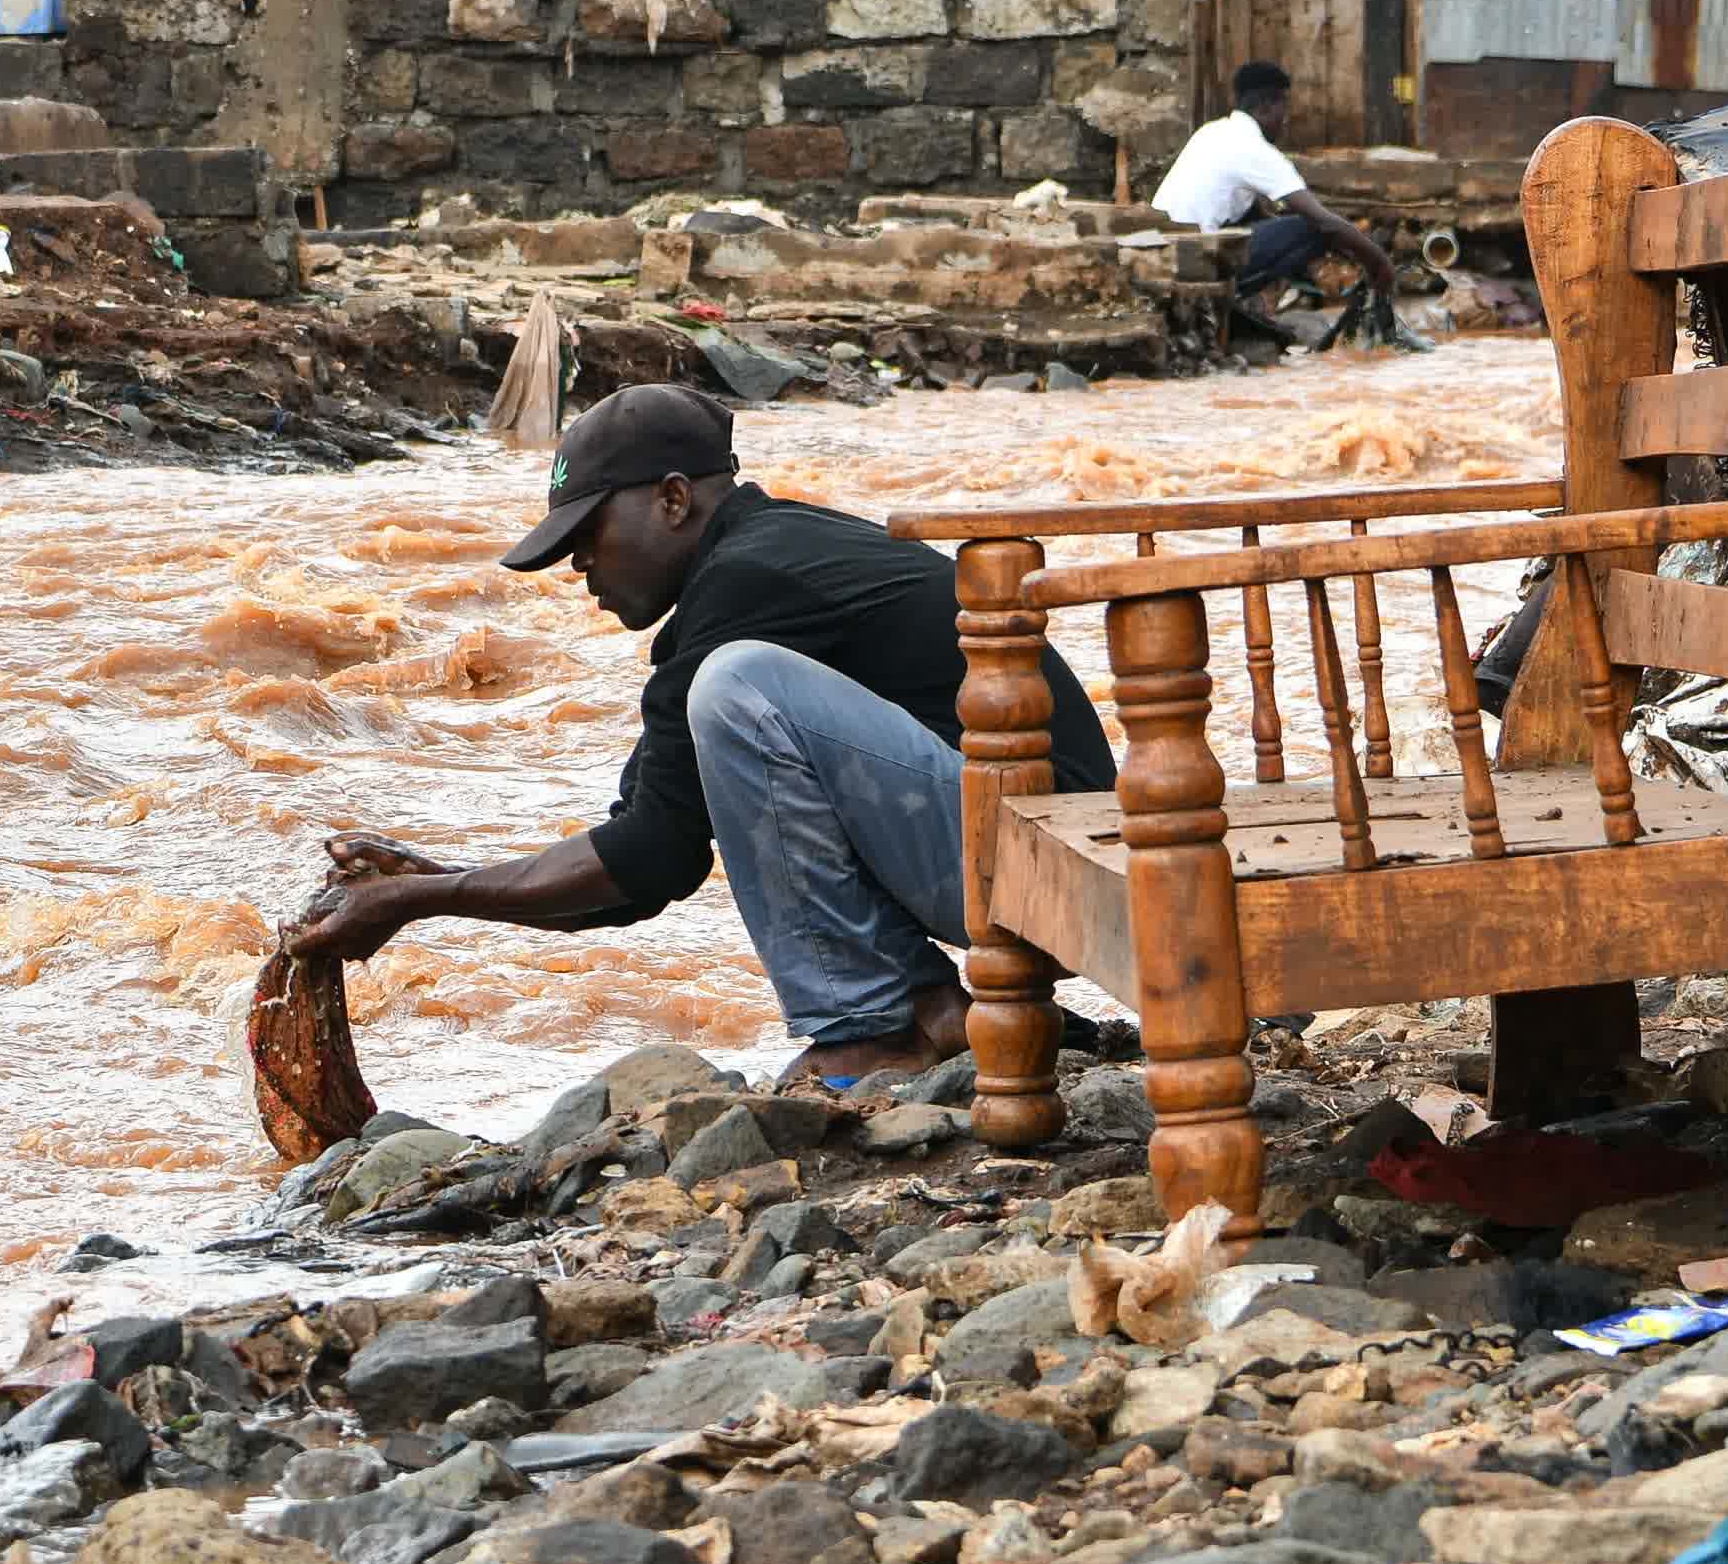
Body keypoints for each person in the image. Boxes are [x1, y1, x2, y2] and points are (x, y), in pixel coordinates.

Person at [275, 384, 1106, 1093]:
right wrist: (437, 882)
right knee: (733, 687)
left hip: (1049, 872)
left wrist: (425, 899)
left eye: (588, 536)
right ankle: (921, 1010)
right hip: (1019, 850)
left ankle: (873, 1028)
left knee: (738, 685)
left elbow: (644, 858)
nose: (580, 570)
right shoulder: (749, 572)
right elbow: (649, 865)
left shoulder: (751, 586)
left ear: (673, 501)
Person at [1155, 58, 1407, 337]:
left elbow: (1254, 215)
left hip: (1164, 250)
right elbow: (1324, 223)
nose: (1284, 120)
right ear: (1264, 106)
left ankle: (1249, 307)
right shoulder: (1254, 148)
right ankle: (1234, 299)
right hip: (1193, 260)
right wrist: (1379, 263)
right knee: (1311, 229)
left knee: (1280, 224)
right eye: (1282, 108)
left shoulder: (1212, 131)